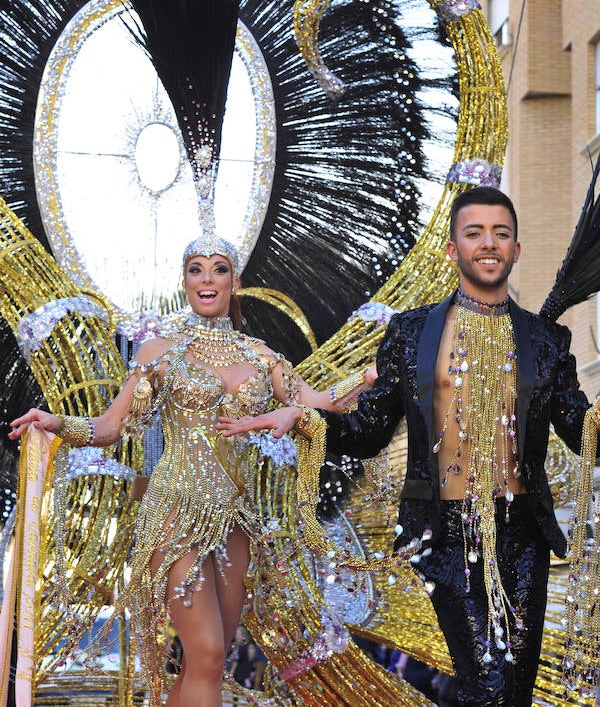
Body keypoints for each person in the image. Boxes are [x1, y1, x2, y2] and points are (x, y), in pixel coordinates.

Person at [218, 186, 600, 707]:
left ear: (517, 249)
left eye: (501, 233)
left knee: (512, 695)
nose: (488, 243)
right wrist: (306, 418)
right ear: (452, 249)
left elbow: (580, 428)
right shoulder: (411, 333)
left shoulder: (546, 340)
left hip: (523, 536)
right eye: (474, 233)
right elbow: (370, 428)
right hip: (446, 534)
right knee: (490, 690)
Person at [8, 232, 374, 707]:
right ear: (183, 281)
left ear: (234, 282)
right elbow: (110, 427)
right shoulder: (160, 351)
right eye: (196, 269)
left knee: (209, 663)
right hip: (176, 514)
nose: (207, 279)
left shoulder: (262, 357)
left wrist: (370, 376)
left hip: (236, 522)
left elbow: (322, 403)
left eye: (219, 269)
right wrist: (57, 422)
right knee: (206, 653)